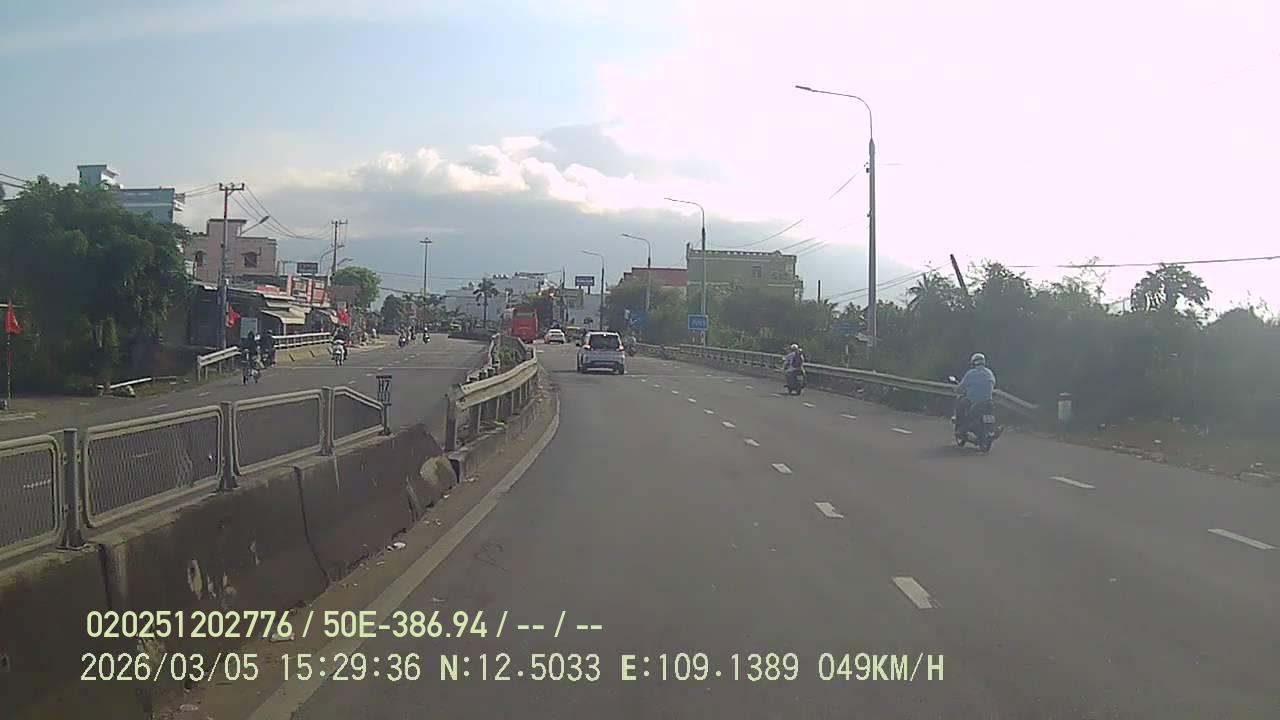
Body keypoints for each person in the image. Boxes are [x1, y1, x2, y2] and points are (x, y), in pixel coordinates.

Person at [955, 352, 996, 426]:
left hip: (973, 401)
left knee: (960, 406)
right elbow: (993, 384)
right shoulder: (989, 373)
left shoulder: (970, 373)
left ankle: (960, 426)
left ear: (973, 362)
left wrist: (957, 389)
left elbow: (961, 387)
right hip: (988, 401)